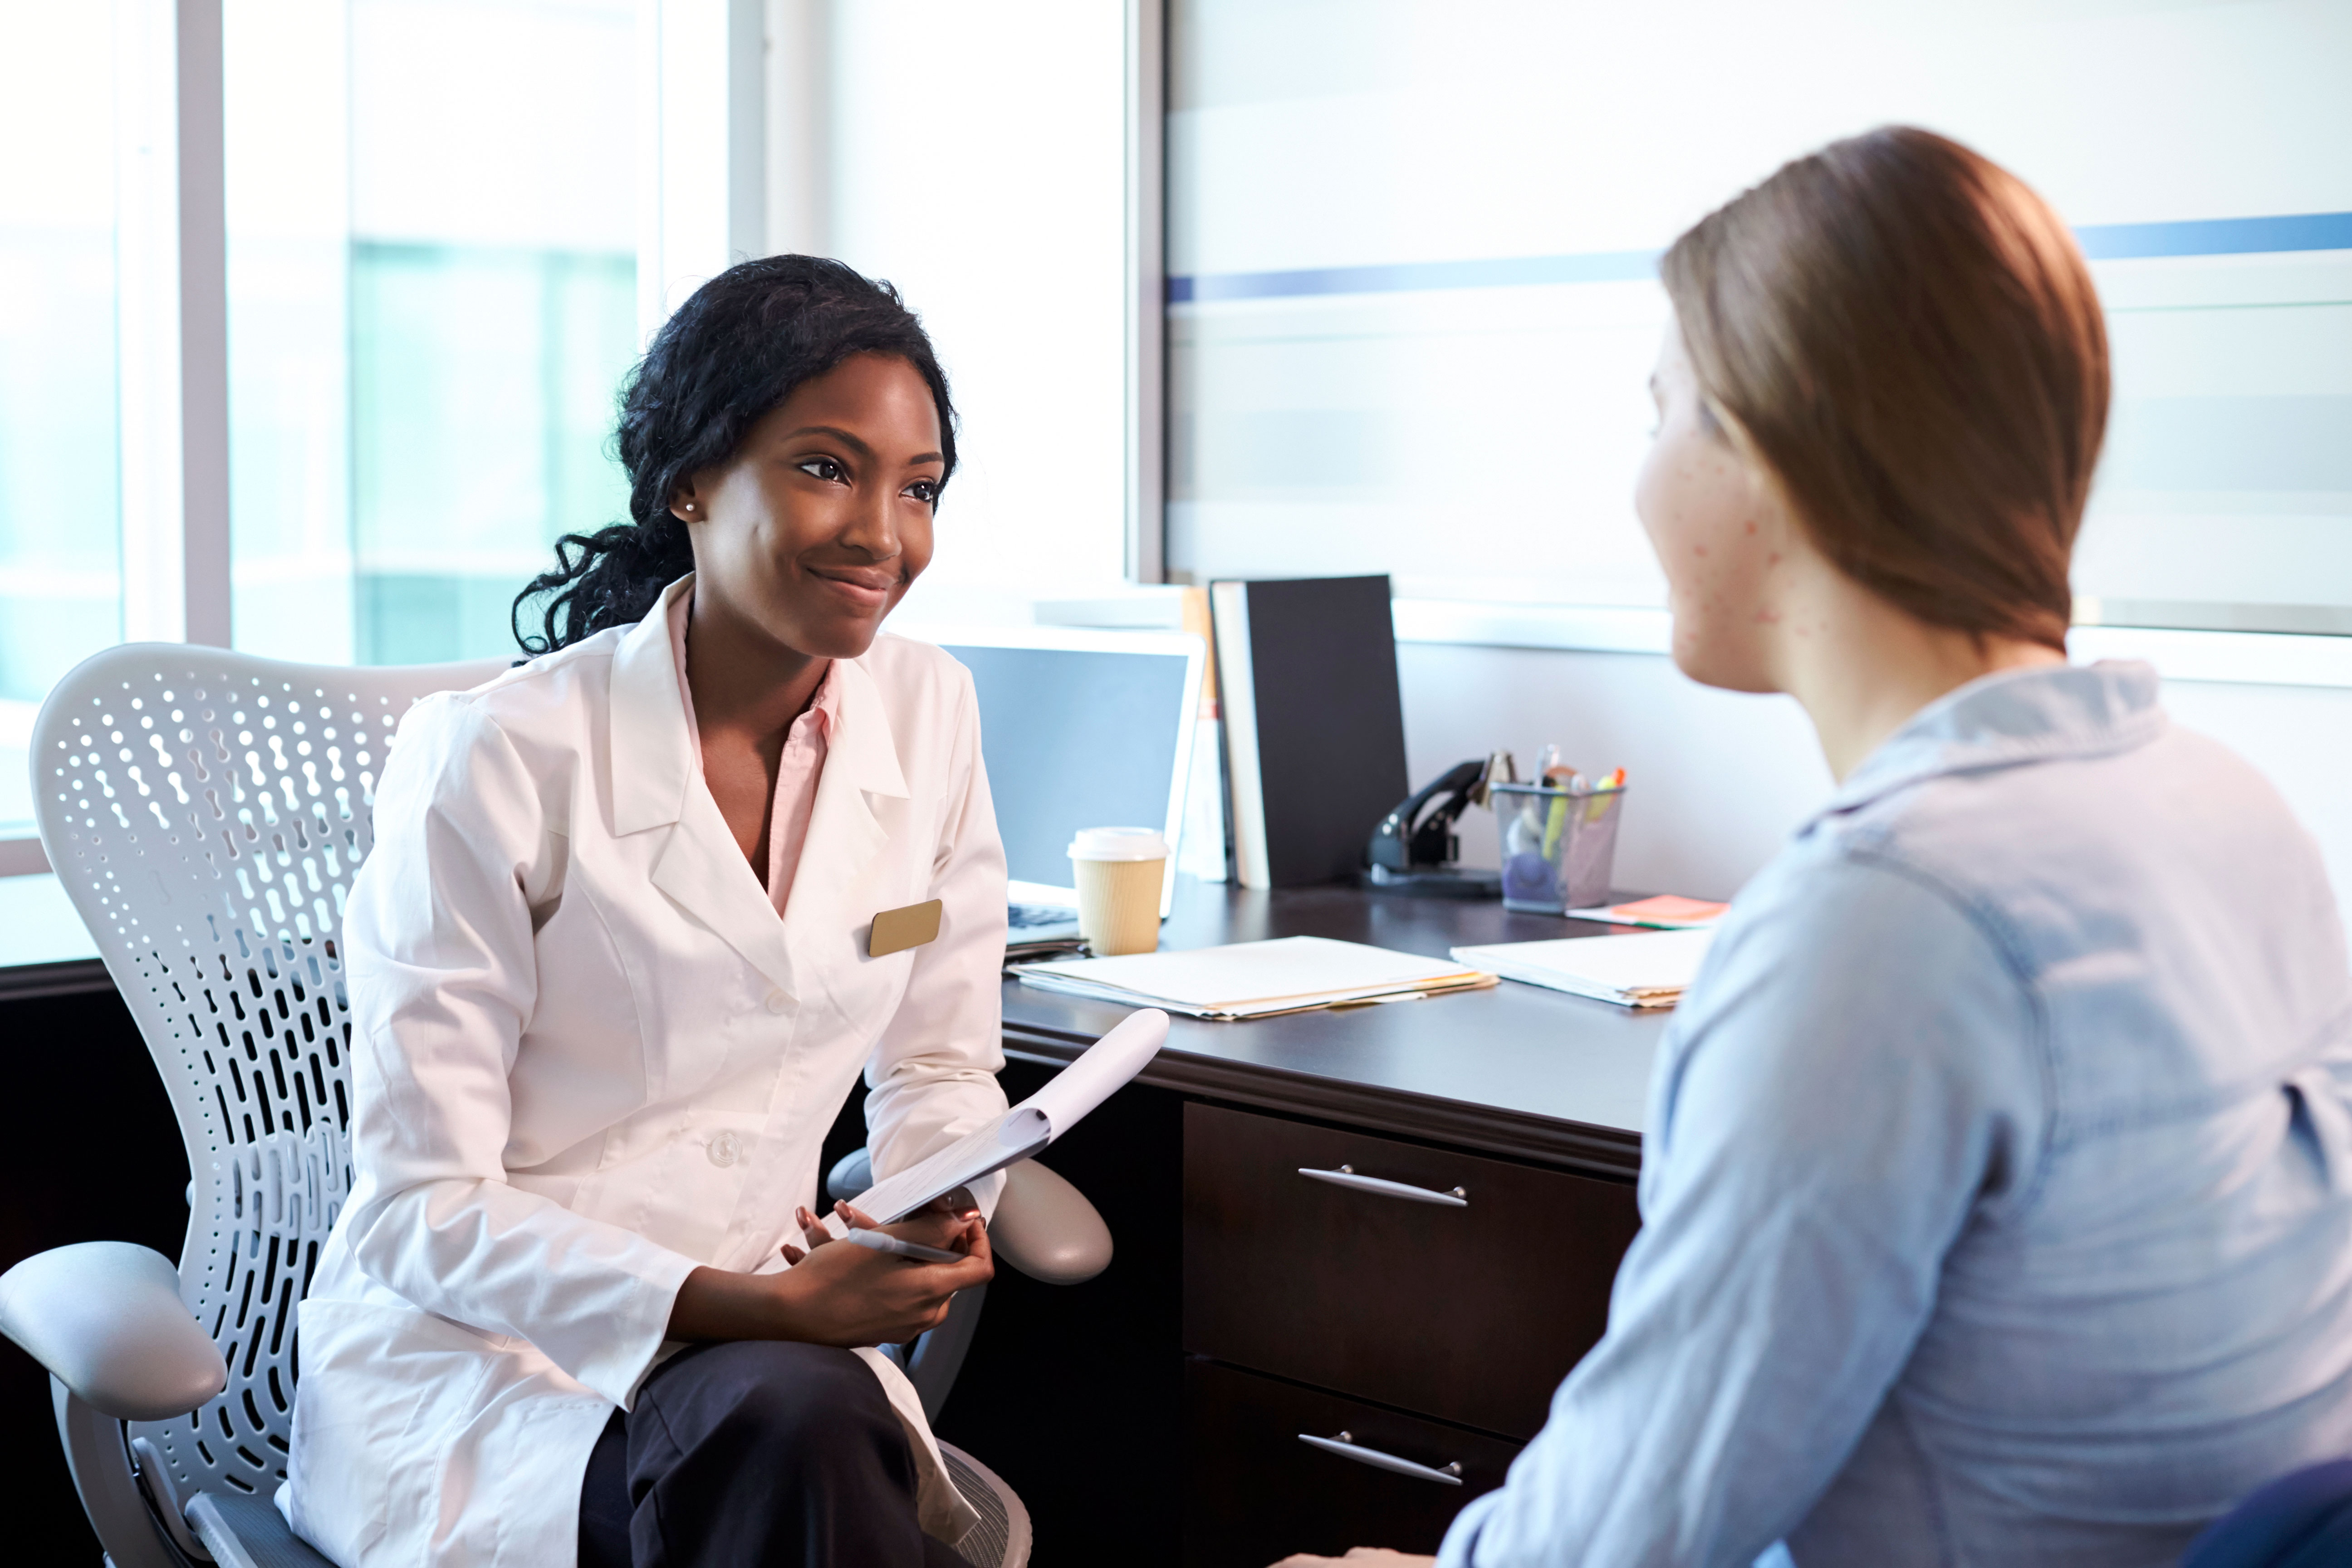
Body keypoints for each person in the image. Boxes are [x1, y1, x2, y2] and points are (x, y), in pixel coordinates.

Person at [1276, 127, 2352, 1568]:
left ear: (1778, 449)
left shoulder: (1888, 920)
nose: (1642, 482)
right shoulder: (2223, 803)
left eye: (1661, 411)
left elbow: (1640, 1528)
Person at [281, 256, 1009, 1568]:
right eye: (826, 468)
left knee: (793, 1433)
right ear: (692, 479)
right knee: (797, 1439)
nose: (882, 535)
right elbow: (418, 1209)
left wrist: (931, 1199)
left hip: (772, 1366)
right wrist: (767, 1310)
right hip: (486, 1367)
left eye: (920, 488)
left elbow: (944, 1060)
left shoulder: (931, 712)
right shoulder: (498, 758)